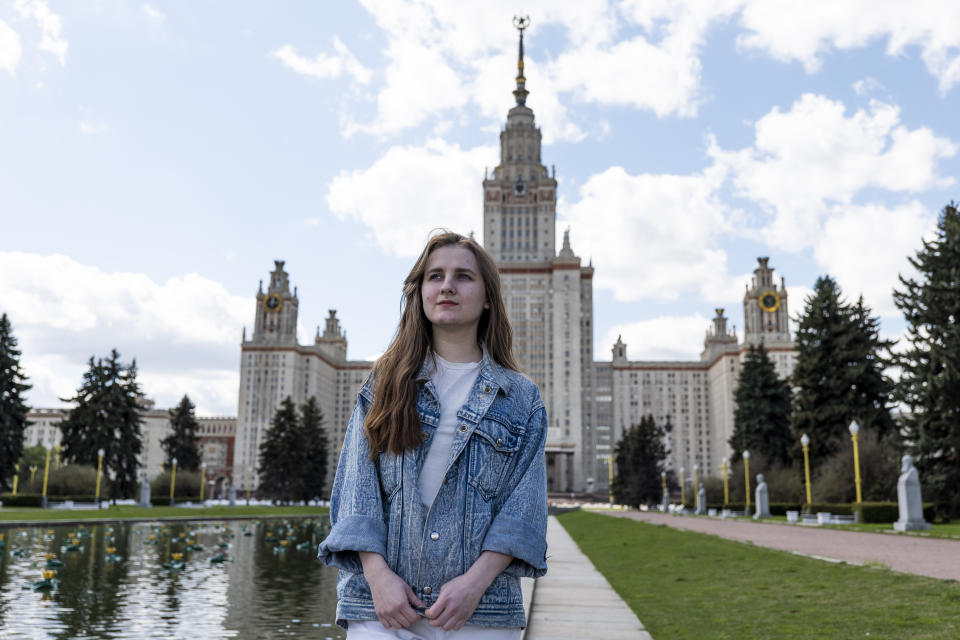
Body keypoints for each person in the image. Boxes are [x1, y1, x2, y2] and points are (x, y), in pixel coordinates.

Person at [318, 231, 548, 639]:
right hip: (384, 607)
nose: (447, 286)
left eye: (463, 276)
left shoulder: (521, 398)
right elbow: (357, 490)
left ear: (487, 296)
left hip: (480, 610)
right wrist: (378, 577)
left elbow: (523, 509)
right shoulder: (384, 383)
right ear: (420, 292)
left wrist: (475, 584)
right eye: (435, 276)